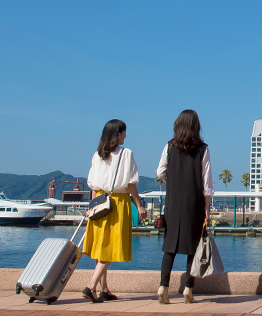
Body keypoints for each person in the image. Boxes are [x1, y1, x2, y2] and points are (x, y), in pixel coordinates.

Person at [82, 119, 145, 303]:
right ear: (117, 134)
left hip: (100, 201)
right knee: (110, 246)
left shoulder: (98, 155)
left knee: (101, 246)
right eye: (124, 132)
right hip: (118, 202)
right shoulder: (126, 154)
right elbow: (131, 183)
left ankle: (104, 290)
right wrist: (139, 205)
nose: (126, 135)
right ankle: (91, 286)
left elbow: (93, 184)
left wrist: (93, 205)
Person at [156, 109, 214, 304]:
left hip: (173, 202)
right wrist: (207, 208)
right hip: (194, 202)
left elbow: (160, 172)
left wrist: (172, 179)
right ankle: (188, 289)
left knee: (169, 247)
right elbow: (207, 183)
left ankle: (163, 286)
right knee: (193, 247)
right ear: (196, 126)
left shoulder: (169, 147)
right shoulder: (203, 149)